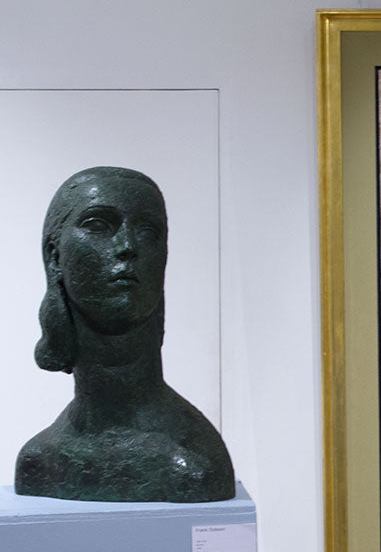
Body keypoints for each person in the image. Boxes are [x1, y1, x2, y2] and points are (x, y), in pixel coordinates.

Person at [14, 166, 234, 502]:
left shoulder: (193, 463)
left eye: (147, 231)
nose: (128, 246)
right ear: (54, 256)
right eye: (98, 225)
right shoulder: (40, 461)